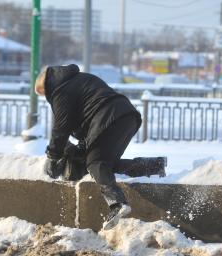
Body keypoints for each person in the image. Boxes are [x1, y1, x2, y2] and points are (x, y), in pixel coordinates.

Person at [35, 64, 142, 230]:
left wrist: (53, 156)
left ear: (47, 88)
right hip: (126, 116)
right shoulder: (77, 80)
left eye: (45, 95)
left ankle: (117, 203)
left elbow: (61, 128)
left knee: (96, 163)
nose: (47, 98)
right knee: (104, 164)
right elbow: (87, 114)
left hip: (110, 117)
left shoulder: (61, 90)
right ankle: (152, 167)